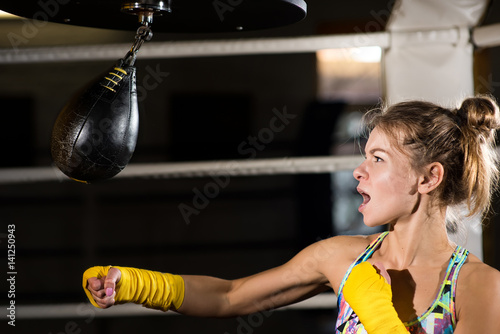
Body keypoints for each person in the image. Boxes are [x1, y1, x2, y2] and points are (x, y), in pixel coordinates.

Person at [83, 95, 500, 333]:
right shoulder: (342, 259)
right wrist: (135, 284)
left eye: (377, 158)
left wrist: (375, 311)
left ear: (428, 179)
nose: (359, 170)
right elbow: (229, 296)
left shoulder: (478, 287)